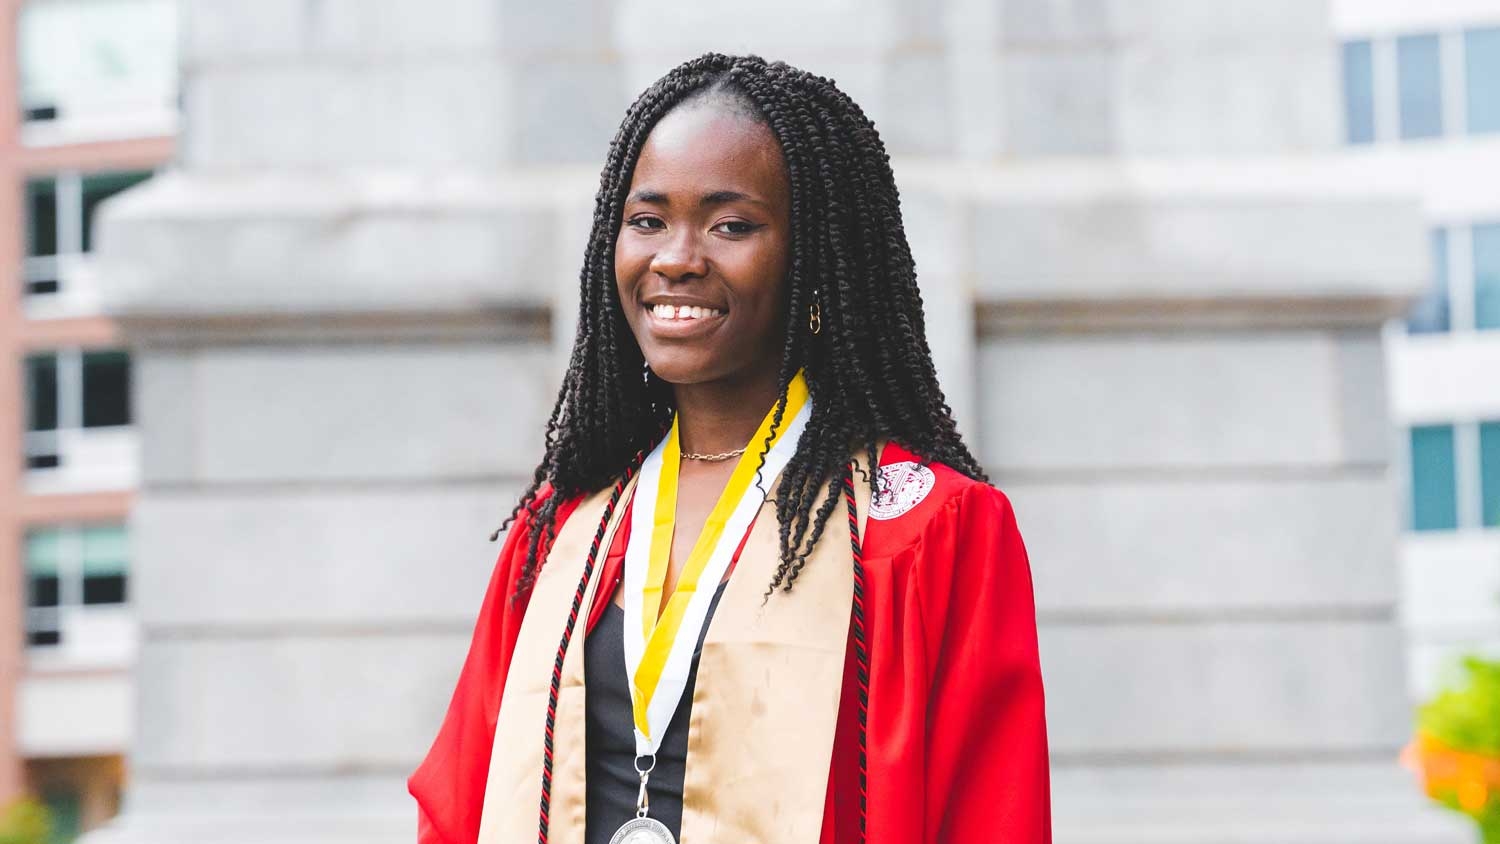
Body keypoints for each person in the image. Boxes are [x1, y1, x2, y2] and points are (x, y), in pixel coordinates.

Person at [408, 52, 1051, 844]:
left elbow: (990, 816)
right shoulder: (565, 528)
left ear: (815, 260)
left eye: (730, 224)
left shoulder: (923, 531)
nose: (676, 257)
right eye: (647, 221)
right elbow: (458, 805)